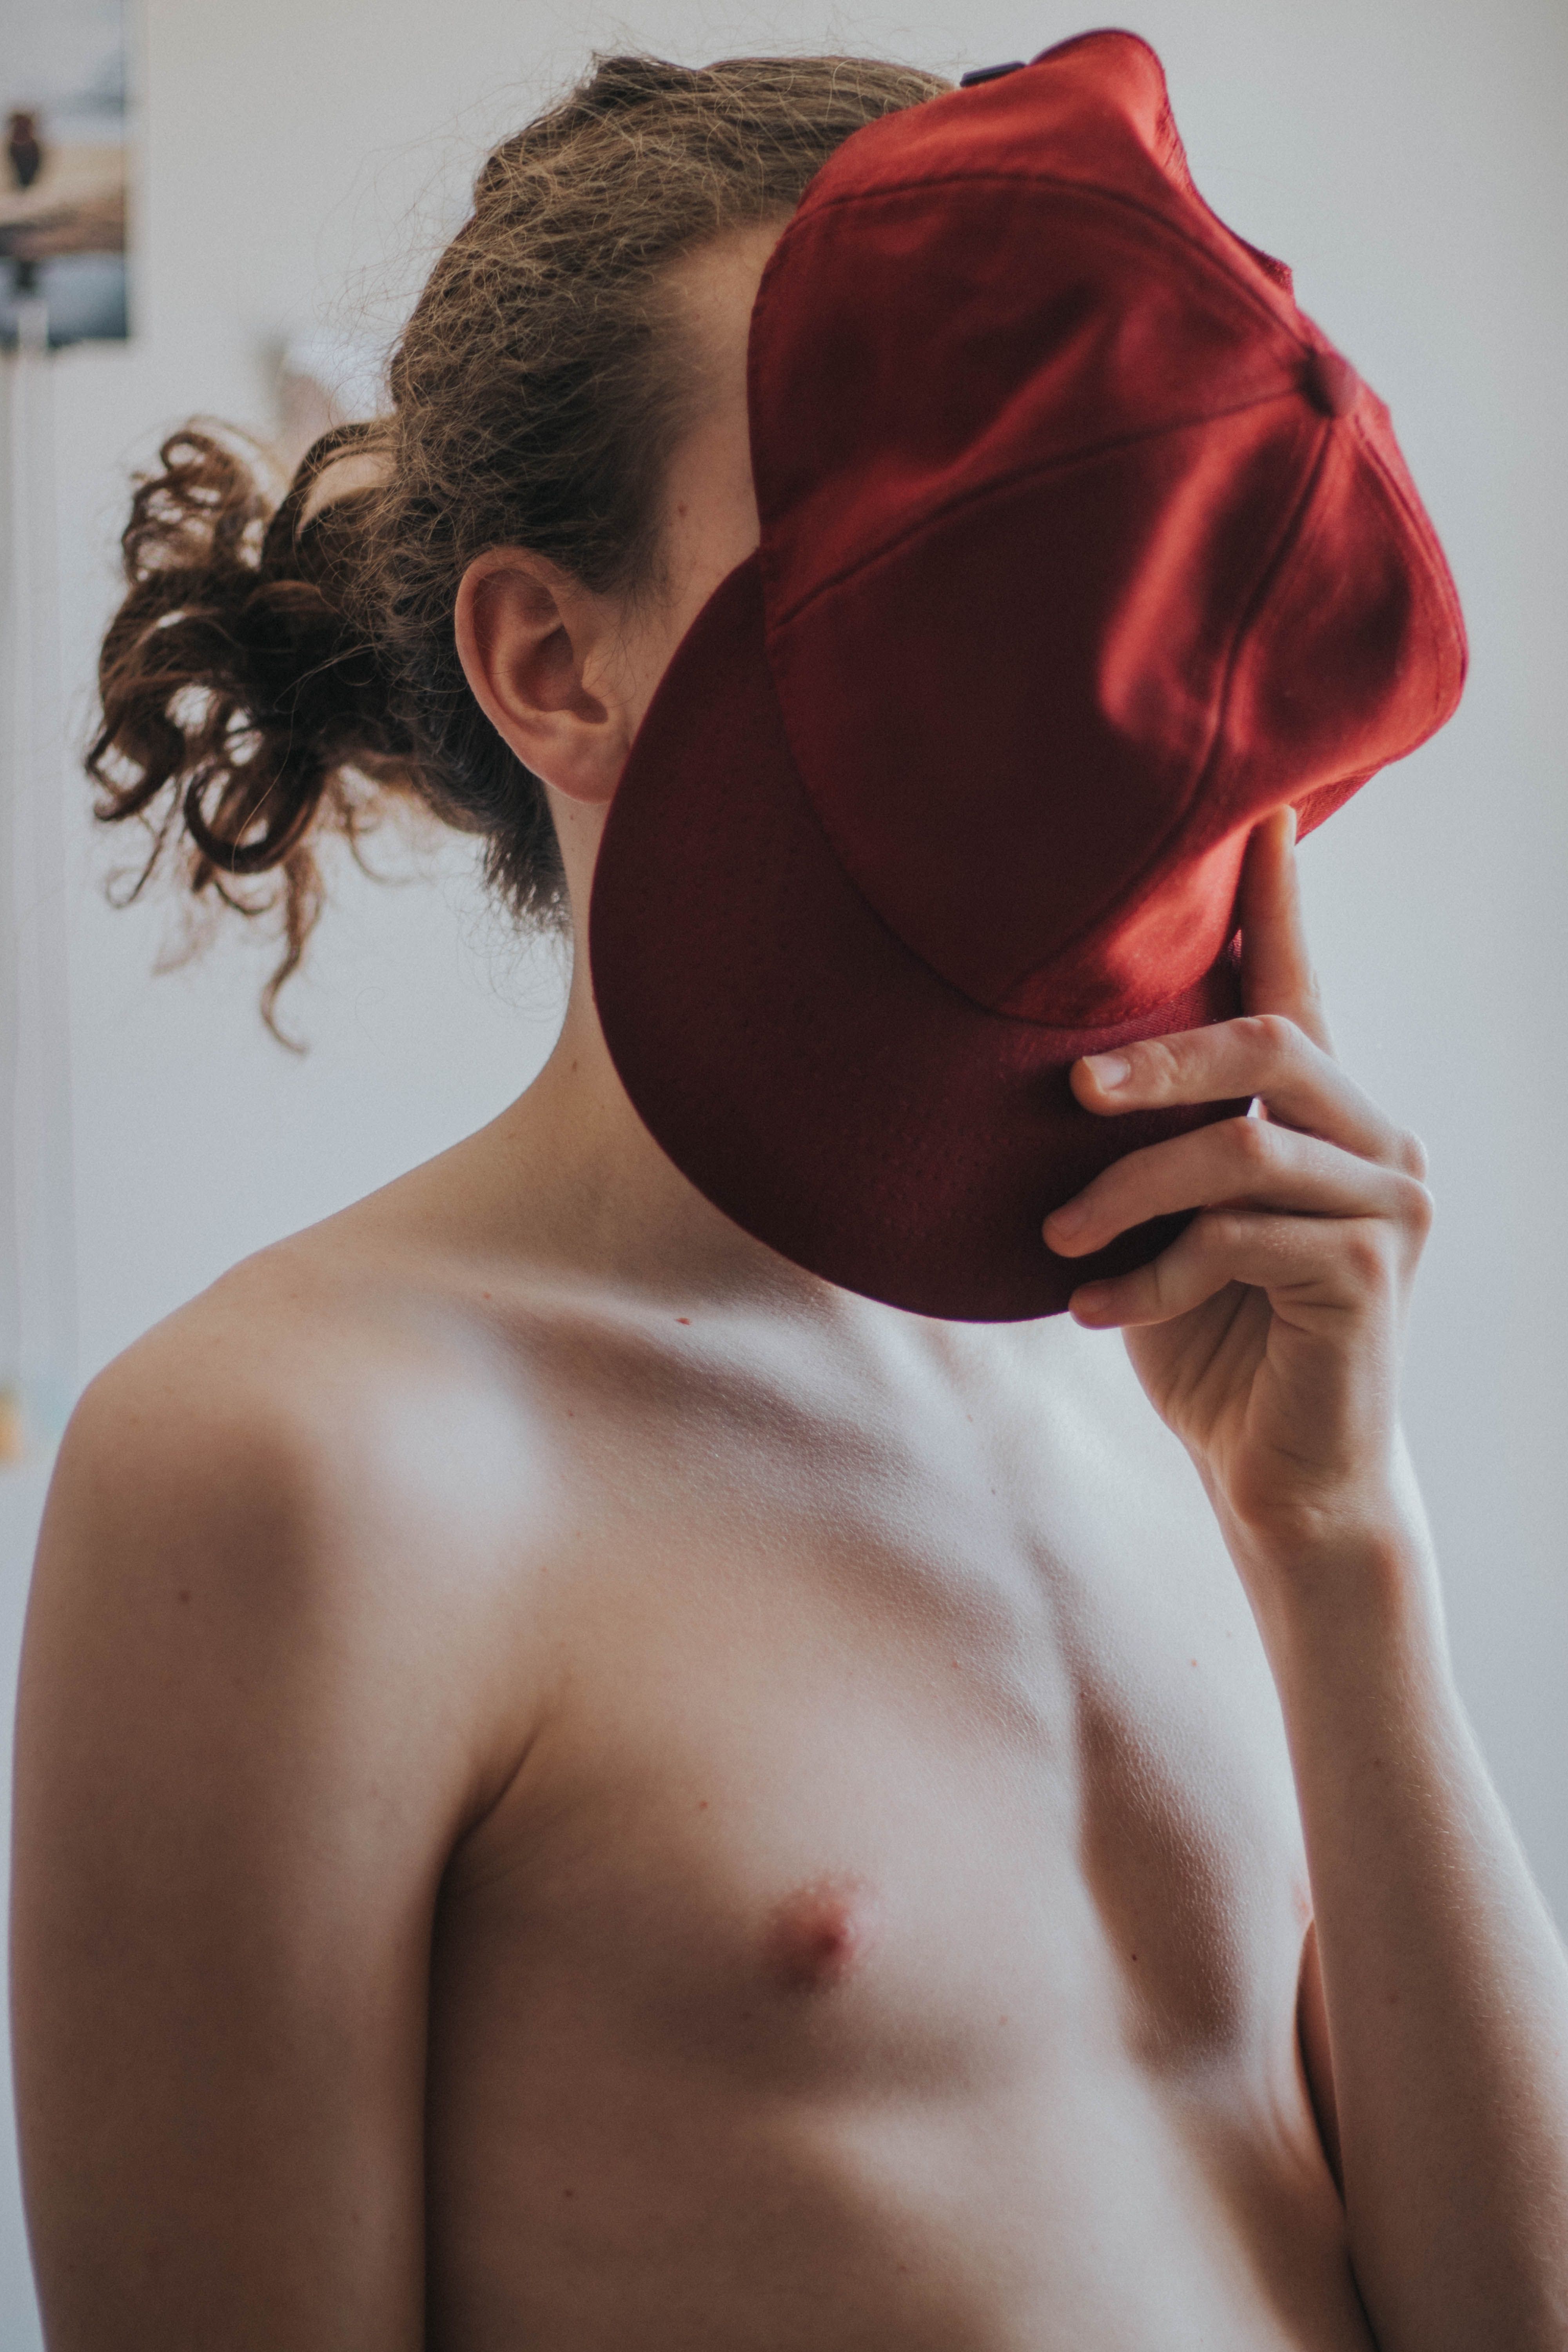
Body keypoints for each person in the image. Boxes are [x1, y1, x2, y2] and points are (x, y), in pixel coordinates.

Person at [13, 44, 1568, 2352]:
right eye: (929, 500)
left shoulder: (1199, 1375)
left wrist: (1346, 1540)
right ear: (557, 660)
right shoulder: (290, 1462)